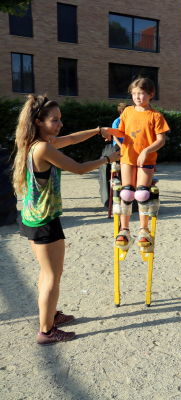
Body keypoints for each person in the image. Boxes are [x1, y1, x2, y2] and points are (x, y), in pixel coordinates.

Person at [12, 94, 119, 345]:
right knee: (52, 276)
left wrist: (97, 130)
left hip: (32, 217)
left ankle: (50, 316)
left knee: (47, 272)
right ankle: (46, 332)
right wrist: (108, 159)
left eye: (60, 119)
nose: (60, 124)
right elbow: (79, 168)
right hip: (44, 221)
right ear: (39, 121)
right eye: (55, 120)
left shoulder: (35, 142)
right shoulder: (43, 148)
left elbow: (70, 140)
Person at [104, 78, 169, 249]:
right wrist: (109, 132)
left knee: (141, 194)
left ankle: (143, 230)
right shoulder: (126, 112)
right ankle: (124, 230)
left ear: (150, 94)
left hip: (146, 160)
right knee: (126, 193)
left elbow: (161, 140)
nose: (137, 97)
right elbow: (122, 132)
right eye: (134, 93)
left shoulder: (156, 116)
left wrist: (147, 150)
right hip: (127, 157)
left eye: (141, 93)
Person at [99, 102, 127, 208]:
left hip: (128, 144)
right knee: (120, 158)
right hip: (119, 145)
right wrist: (121, 146)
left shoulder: (129, 121)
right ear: (122, 112)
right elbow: (115, 136)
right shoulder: (117, 121)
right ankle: (119, 178)